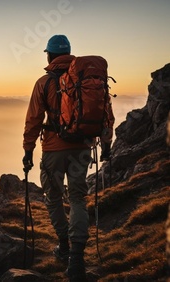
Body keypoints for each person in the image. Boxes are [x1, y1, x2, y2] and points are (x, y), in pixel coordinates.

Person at [22, 34, 113, 281]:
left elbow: (33, 120)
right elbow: (106, 111)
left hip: (53, 150)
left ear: (50, 56)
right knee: (77, 198)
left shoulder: (44, 83)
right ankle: (77, 258)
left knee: (53, 197)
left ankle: (64, 245)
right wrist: (106, 145)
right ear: (69, 53)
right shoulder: (87, 80)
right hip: (83, 147)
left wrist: (28, 150)